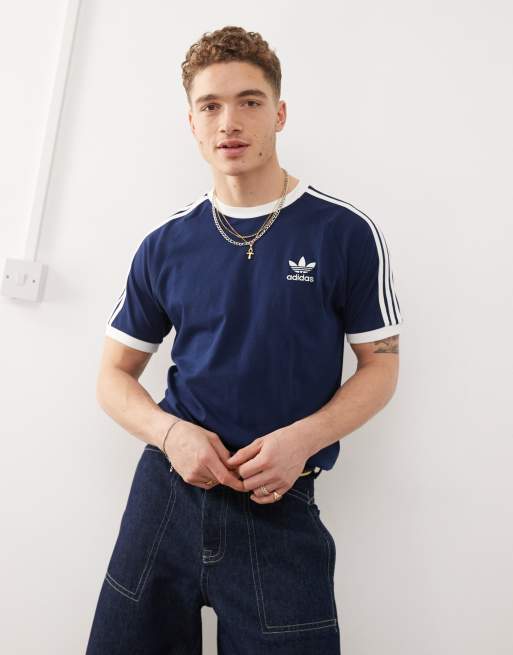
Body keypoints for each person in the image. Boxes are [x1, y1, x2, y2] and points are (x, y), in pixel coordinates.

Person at [86, 25, 403, 655]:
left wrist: (303, 439)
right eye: (210, 106)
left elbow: (381, 366)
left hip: (279, 504)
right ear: (193, 124)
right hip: (166, 501)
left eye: (249, 101)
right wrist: (171, 435)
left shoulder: (344, 232)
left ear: (279, 113)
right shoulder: (166, 244)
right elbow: (112, 377)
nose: (229, 122)